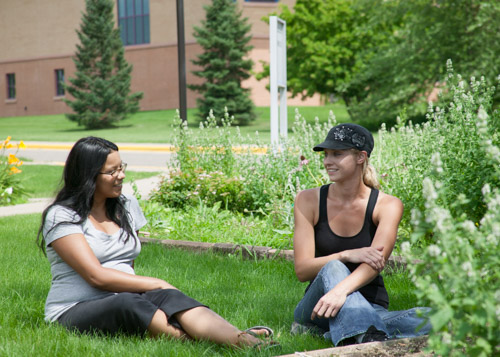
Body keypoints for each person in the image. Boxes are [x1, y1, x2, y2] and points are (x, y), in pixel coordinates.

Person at [37, 136, 277, 349]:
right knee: (131, 301)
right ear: (88, 176)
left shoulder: (126, 205)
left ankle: (242, 339)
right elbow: (96, 277)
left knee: (170, 298)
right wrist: (155, 284)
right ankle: (209, 342)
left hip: (124, 294)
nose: (121, 175)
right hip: (75, 307)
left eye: (121, 167)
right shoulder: (61, 216)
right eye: (112, 172)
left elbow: (127, 262)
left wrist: (155, 292)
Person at [291, 123, 431, 346]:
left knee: (434, 316)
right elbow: (302, 270)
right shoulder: (308, 200)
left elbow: (376, 262)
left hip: (370, 306)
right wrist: (346, 255)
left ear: (360, 157)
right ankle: (367, 335)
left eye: (337, 154)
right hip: (319, 307)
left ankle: (354, 331)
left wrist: (340, 292)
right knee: (334, 266)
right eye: (326, 154)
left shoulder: (388, 205)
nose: (328, 161)